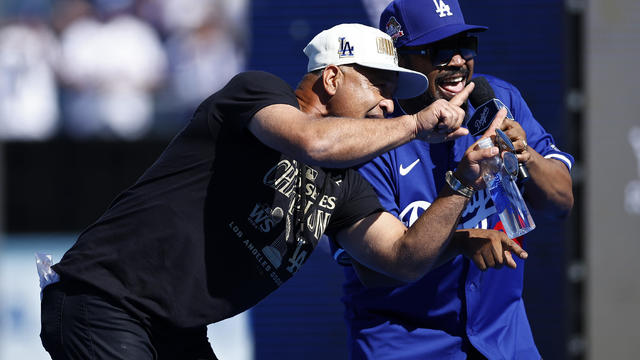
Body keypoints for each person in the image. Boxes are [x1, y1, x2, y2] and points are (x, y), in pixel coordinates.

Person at [39, 23, 525, 360]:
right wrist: (417, 123)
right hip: (103, 303)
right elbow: (313, 141)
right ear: (331, 76)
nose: (386, 102)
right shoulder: (255, 94)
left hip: (175, 330)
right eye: (377, 84)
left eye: (393, 93)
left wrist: (461, 182)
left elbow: (401, 258)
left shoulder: (346, 182)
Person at [331, 1, 575, 359]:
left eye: (466, 45)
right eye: (441, 50)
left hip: (505, 339)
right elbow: (376, 271)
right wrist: (458, 241)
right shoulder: (372, 133)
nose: (458, 61)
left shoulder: (498, 100)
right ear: (401, 59)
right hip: (407, 343)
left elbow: (560, 203)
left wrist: (528, 157)